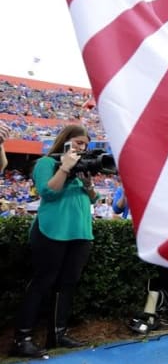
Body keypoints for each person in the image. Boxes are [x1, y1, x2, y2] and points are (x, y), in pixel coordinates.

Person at [11, 124, 99, 358]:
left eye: (86, 144)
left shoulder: (82, 167)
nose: (83, 147)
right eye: (79, 142)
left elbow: (94, 199)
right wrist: (65, 169)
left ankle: (57, 334)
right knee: (42, 282)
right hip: (51, 232)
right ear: (65, 141)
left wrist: (88, 183)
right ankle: (22, 338)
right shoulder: (46, 164)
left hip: (80, 233)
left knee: (67, 284)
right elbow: (47, 192)